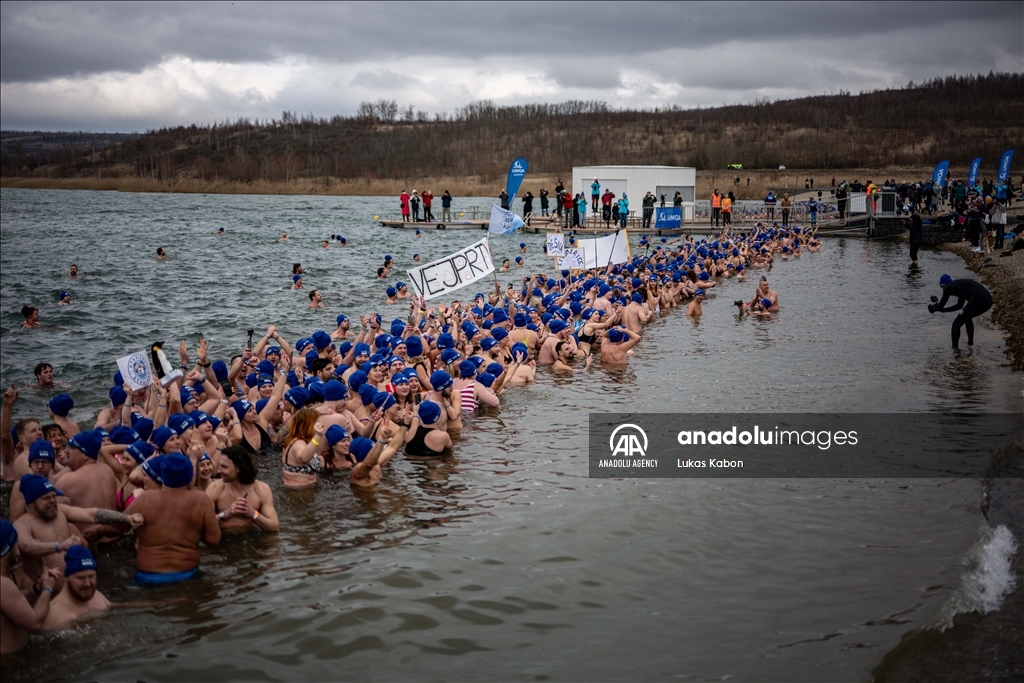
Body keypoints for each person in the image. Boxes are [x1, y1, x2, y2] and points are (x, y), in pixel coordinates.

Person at [126, 453, 220, 584]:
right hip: (186, 575)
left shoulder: (145, 498)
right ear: (189, 477)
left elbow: (115, 528)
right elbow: (213, 539)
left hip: (147, 576)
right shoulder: (201, 500)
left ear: (164, 476)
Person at [1, 519, 62, 655]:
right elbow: (34, 623)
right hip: (9, 662)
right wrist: (47, 589)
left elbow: (11, 602)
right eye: (14, 546)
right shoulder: (3, 584)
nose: (18, 552)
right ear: (6, 549)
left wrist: (37, 589)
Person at [206, 445, 279, 532]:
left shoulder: (261, 489)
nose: (218, 471)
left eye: (224, 467)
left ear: (239, 468)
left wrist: (253, 513)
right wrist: (226, 514)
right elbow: (203, 524)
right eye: (219, 466)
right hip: (224, 536)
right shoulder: (214, 488)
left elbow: (274, 527)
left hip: (251, 538)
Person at [42, 545, 109, 630]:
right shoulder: (56, 615)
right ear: (67, 578)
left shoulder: (97, 596)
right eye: (81, 578)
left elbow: (115, 607)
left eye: (91, 576)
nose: (87, 584)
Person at [929, 275, 993, 349]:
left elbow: (940, 306)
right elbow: (959, 306)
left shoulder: (948, 288)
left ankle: (955, 350)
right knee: (967, 317)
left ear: (944, 285)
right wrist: (943, 310)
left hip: (978, 299)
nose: (943, 290)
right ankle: (970, 345)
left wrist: (932, 309)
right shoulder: (959, 286)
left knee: (956, 324)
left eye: (942, 288)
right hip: (988, 301)